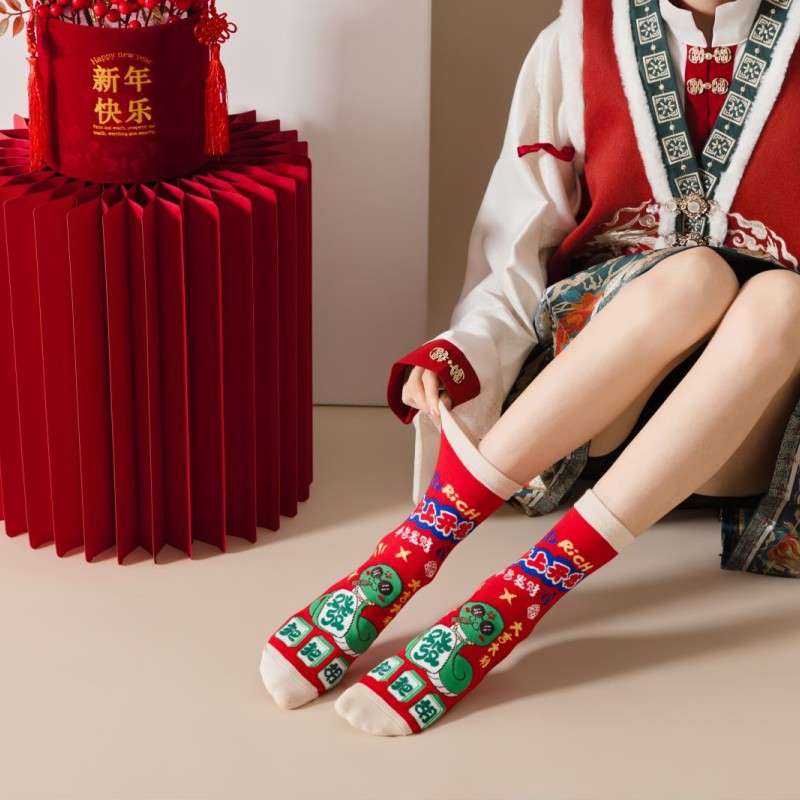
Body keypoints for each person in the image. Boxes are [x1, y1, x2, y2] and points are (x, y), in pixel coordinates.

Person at [260, 0, 800, 735]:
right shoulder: (577, 39)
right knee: (693, 277)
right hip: (596, 406)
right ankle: (413, 551)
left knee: (782, 300)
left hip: (754, 425)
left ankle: (517, 597)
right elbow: (516, 247)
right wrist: (461, 353)